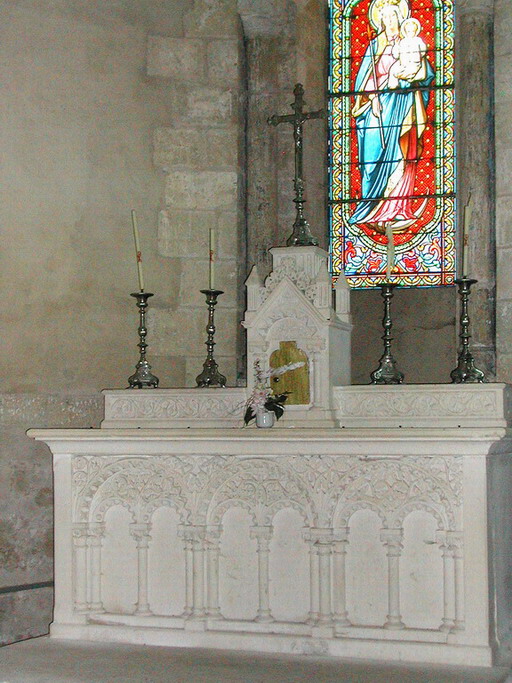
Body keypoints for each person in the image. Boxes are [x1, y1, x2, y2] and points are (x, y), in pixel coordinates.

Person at [350, 0, 434, 234]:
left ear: (401, 20)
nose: (390, 22)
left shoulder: (411, 44)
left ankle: (398, 208)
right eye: (385, 18)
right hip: (377, 110)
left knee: (404, 152)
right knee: (372, 159)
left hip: (403, 103)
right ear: (380, 21)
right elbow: (364, 81)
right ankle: (371, 209)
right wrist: (372, 97)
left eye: (394, 17)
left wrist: (413, 72)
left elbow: (426, 73)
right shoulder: (374, 46)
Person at [388, 18, 427, 89]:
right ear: (405, 32)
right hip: (403, 65)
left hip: (414, 64)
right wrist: (396, 45)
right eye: (408, 31)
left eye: (413, 31)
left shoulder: (418, 40)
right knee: (393, 70)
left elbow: (423, 51)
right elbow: (396, 55)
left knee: (410, 71)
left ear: (416, 31)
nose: (411, 33)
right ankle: (393, 85)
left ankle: (410, 77)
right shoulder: (402, 42)